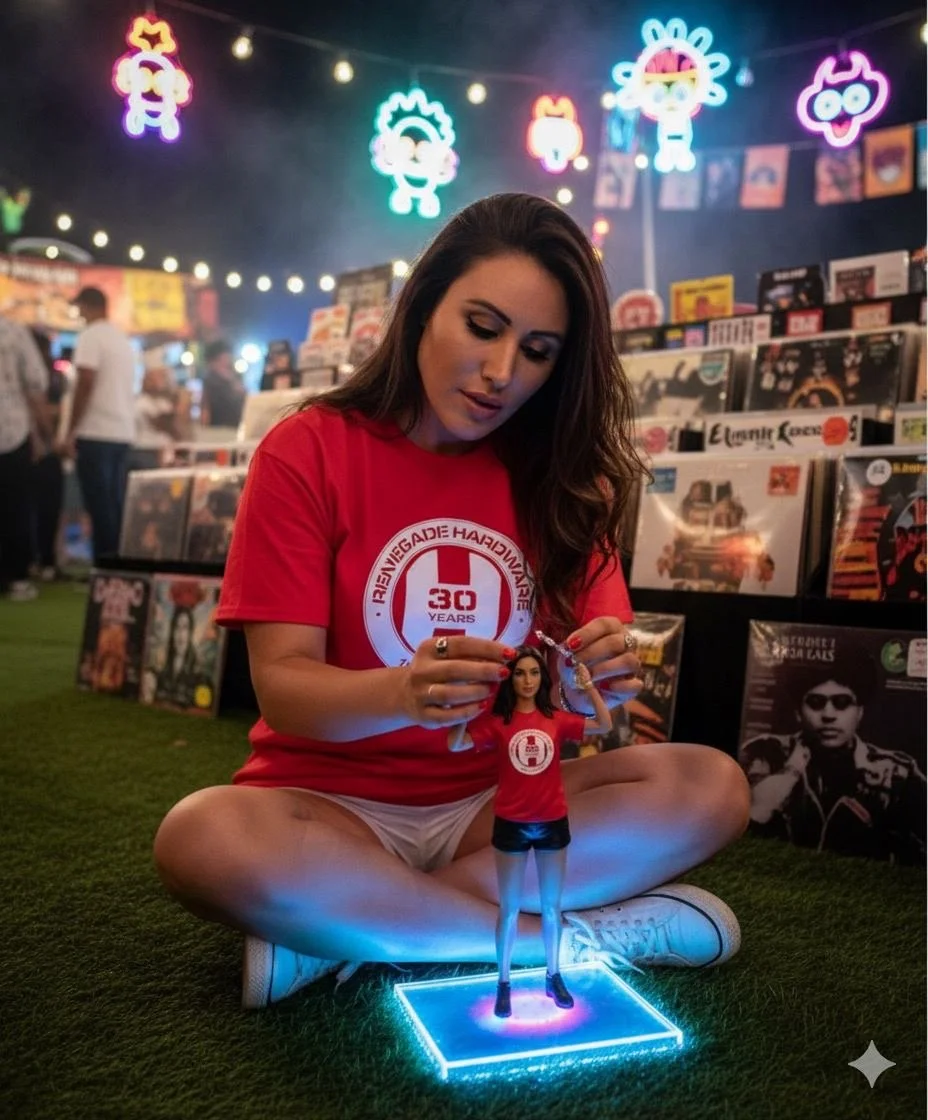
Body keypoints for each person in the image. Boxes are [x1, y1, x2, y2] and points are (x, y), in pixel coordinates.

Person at [153, 193, 750, 1011]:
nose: (504, 372)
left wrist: (591, 684)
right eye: (483, 326)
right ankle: (568, 939)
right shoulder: (307, 450)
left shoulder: (567, 479)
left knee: (708, 787)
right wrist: (400, 692)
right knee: (201, 836)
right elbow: (285, 692)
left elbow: (589, 678)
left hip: (500, 799)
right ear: (423, 305)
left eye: (538, 351)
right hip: (327, 807)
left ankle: (356, 929)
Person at [450, 644, 614, 1017]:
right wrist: (465, 705)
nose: (527, 680)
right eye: (521, 673)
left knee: (551, 907)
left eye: (534, 673)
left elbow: (604, 725)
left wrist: (588, 687)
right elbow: (455, 741)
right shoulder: (499, 721)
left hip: (552, 820)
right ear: (512, 679)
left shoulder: (555, 718)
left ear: (542, 678)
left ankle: (553, 975)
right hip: (510, 822)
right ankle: (503, 982)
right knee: (508, 908)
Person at [741, 649, 926, 864]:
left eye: (842, 702)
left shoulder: (898, 773)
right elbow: (749, 820)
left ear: (860, 712)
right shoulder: (765, 752)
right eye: (816, 702)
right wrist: (790, 772)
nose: (828, 715)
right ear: (798, 712)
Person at [59, 287, 136, 562]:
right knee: (113, 504)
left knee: (99, 504)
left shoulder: (90, 337)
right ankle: (115, 564)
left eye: (79, 308)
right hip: (121, 432)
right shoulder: (122, 340)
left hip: (96, 431)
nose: (78, 314)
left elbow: (86, 382)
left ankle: (104, 566)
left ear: (89, 306)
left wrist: (69, 432)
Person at [0, 315, 50, 599]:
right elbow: (35, 385)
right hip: (12, 430)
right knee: (15, 506)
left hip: (14, 429)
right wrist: (46, 434)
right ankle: (16, 576)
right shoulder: (14, 332)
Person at [28, 329, 68, 581]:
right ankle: (36, 560)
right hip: (30, 449)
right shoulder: (33, 377)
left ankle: (47, 559)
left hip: (50, 450)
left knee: (49, 509)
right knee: (30, 510)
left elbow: (57, 410)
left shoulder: (56, 378)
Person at [200, 339, 246, 430]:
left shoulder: (235, 375)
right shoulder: (210, 379)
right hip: (218, 424)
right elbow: (206, 403)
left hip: (236, 423)